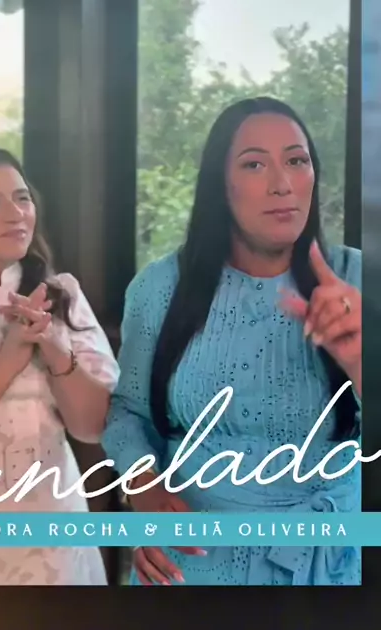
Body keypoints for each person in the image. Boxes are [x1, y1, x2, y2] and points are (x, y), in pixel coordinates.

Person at [102, 97, 361, 586]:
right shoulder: (160, 287)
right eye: (254, 164)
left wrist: (362, 362)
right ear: (221, 186)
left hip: (329, 566)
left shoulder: (359, 280)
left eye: (296, 160)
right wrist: (143, 491)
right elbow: (128, 411)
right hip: (191, 563)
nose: (282, 183)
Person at [0, 143, 120, 585]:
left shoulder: (63, 295)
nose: (15, 213)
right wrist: (7, 362)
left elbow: (98, 428)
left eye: (22, 198)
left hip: (56, 545)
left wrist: (53, 346)